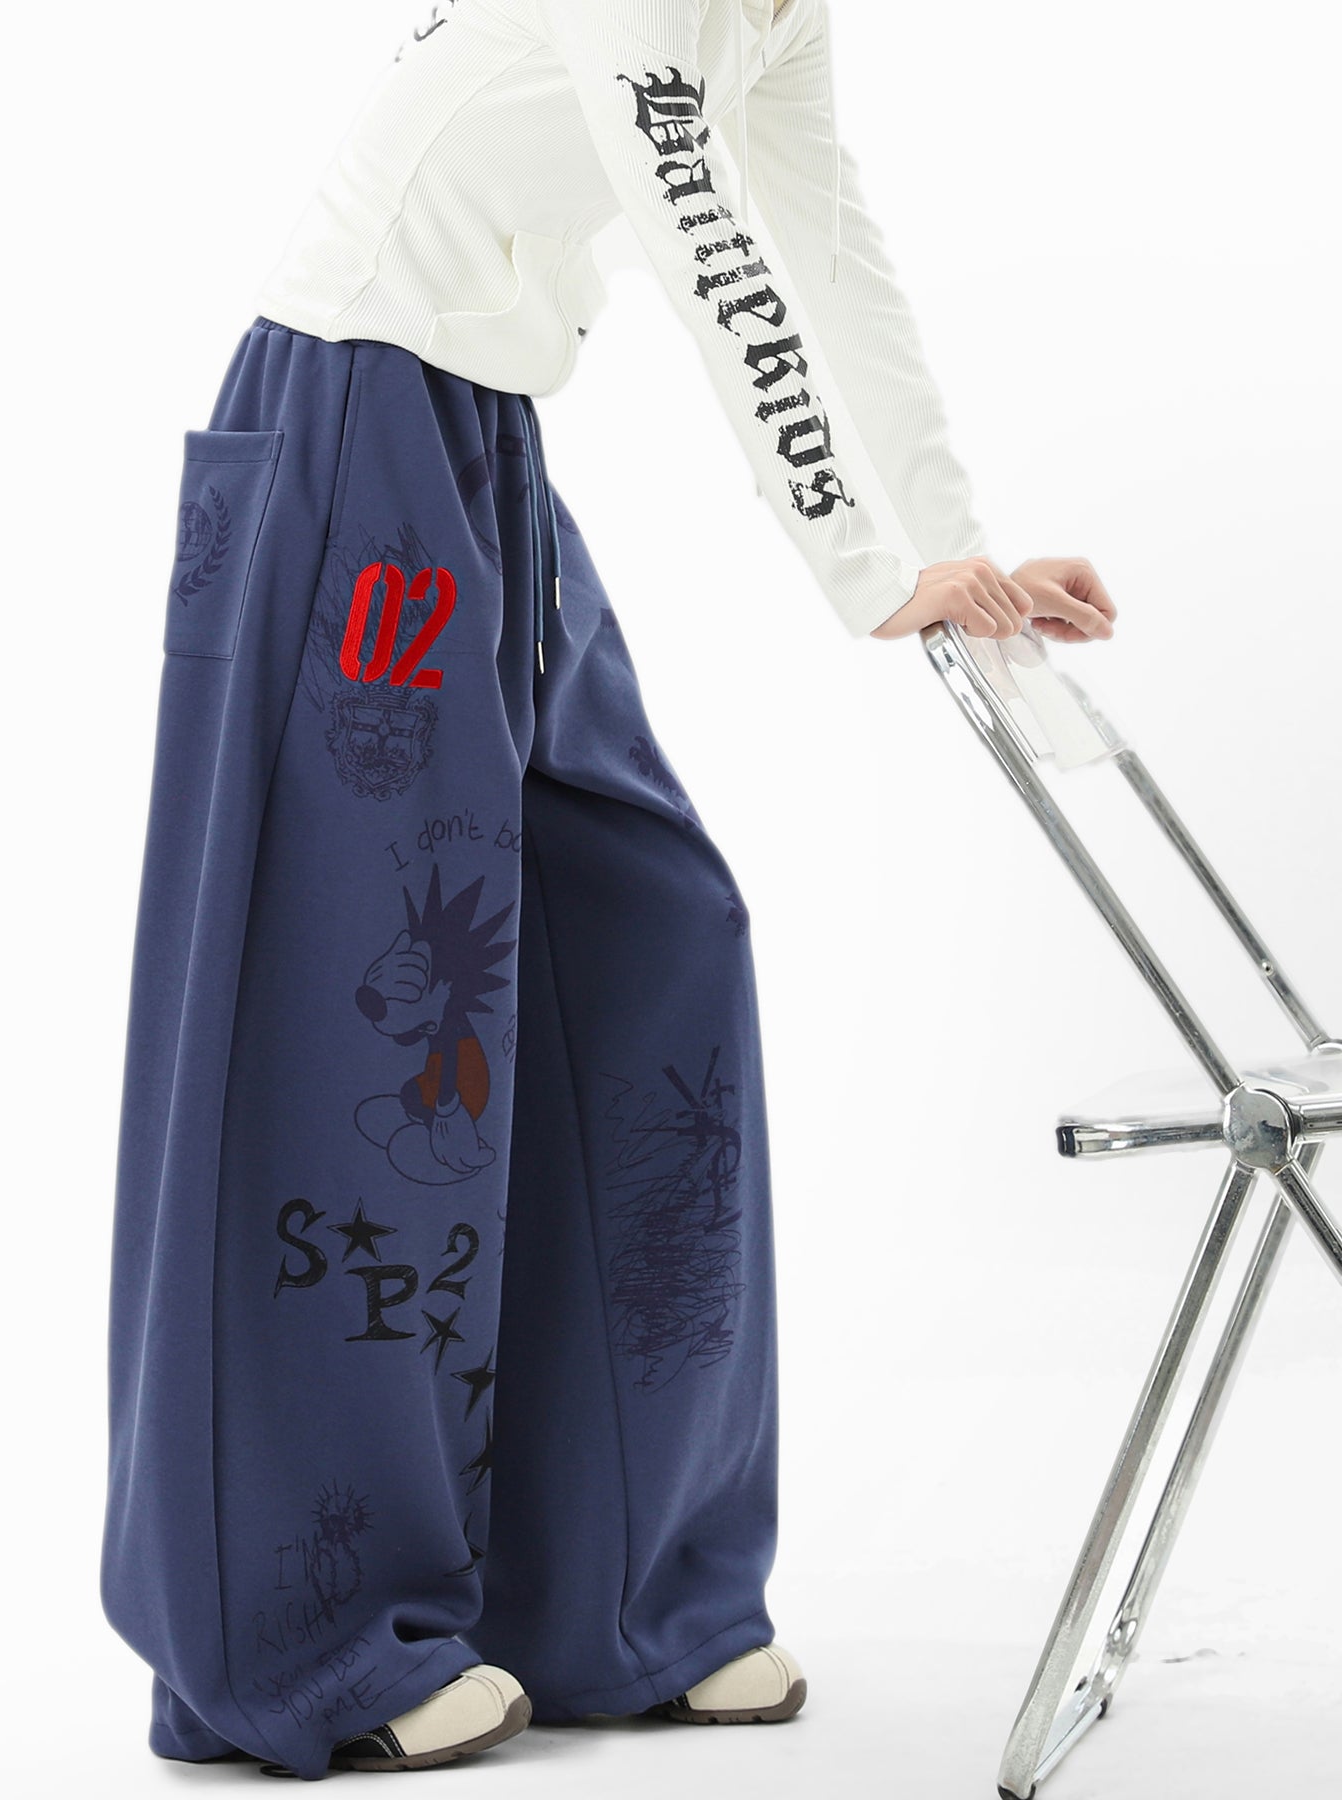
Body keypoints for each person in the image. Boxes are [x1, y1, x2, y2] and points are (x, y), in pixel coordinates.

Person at [100, 0, 1119, 1782]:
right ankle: (306, 1638)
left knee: (649, 934)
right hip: (349, 414)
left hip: (483, 436)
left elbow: (822, 229)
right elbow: (704, 238)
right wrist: (865, 566)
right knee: (363, 1011)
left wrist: (950, 543)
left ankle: (619, 1602)